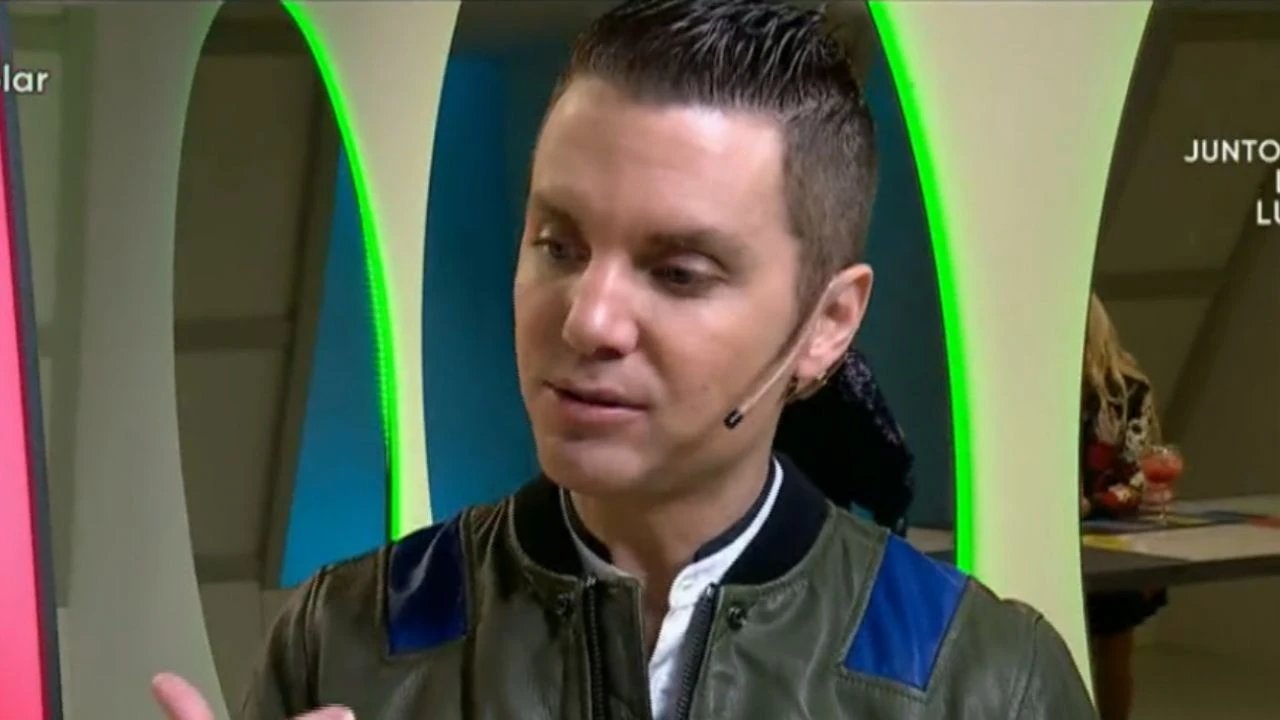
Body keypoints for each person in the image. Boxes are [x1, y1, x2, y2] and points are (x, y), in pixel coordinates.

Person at [153, 1, 1095, 718]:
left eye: (679, 272)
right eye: (557, 246)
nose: (589, 320)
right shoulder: (350, 642)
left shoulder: (982, 682)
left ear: (828, 322)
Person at [1079, 293, 1167, 720]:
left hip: (1114, 536)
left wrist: (1090, 503)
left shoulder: (1127, 389)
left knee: (1113, 650)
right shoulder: (1043, 386)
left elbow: (1139, 474)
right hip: (1074, 530)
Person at [774, 346, 915, 535]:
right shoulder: (844, 370)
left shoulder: (845, 372)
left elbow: (890, 458)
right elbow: (892, 457)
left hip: (826, 514)